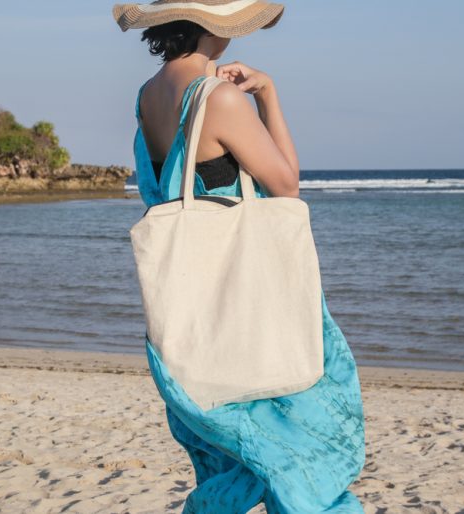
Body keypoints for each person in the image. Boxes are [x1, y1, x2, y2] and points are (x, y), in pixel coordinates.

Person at [113, 1, 366, 512]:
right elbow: (285, 185)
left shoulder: (147, 97)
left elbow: (160, 190)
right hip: (252, 298)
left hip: (196, 302)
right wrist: (269, 95)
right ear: (215, 28)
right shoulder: (221, 98)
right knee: (303, 436)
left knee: (234, 450)